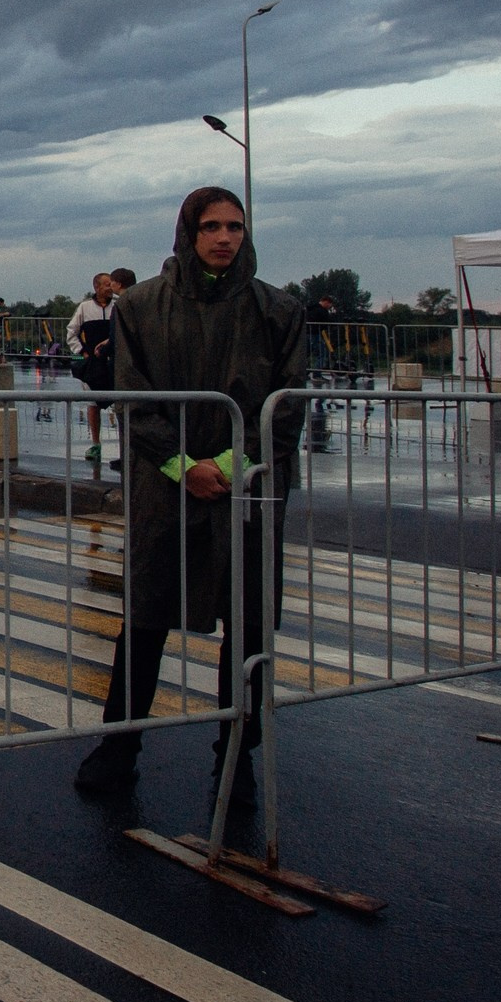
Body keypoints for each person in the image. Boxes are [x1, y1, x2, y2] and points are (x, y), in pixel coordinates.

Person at [73, 188, 305, 808]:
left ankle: (238, 753)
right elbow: (132, 396)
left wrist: (228, 465)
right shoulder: (141, 306)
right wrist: (183, 466)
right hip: (165, 486)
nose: (224, 237)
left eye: (235, 226)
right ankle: (119, 745)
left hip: (249, 489)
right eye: (211, 226)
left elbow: (286, 405)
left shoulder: (277, 310)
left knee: (247, 623)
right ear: (188, 231)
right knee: (147, 613)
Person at [66, 273, 119, 463]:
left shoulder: (118, 306)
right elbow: (71, 332)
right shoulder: (85, 307)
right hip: (93, 363)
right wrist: (82, 352)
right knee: (93, 403)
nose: (110, 288)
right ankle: (96, 444)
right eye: (106, 284)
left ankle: (125, 446)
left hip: (116, 361)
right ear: (97, 287)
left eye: (111, 284)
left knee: (121, 403)